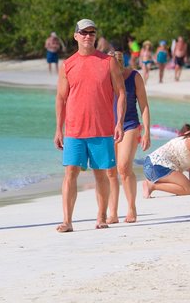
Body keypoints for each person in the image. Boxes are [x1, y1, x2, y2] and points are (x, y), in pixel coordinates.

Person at [54, 19, 125, 233]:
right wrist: (59, 128)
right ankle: (67, 221)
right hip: (74, 130)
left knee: (100, 174)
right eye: (84, 32)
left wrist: (119, 122)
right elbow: (60, 97)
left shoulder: (108, 62)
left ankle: (101, 216)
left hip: (102, 128)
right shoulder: (67, 64)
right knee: (70, 173)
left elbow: (121, 93)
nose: (88, 36)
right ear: (75, 36)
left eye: (92, 33)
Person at [105, 50, 151, 224]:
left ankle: (131, 208)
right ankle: (113, 213)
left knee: (123, 167)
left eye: (117, 63)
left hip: (130, 125)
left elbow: (144, 106)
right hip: (107, 128)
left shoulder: (134, 77)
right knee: (110, 171)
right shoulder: (105, 78)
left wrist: (146, 131)